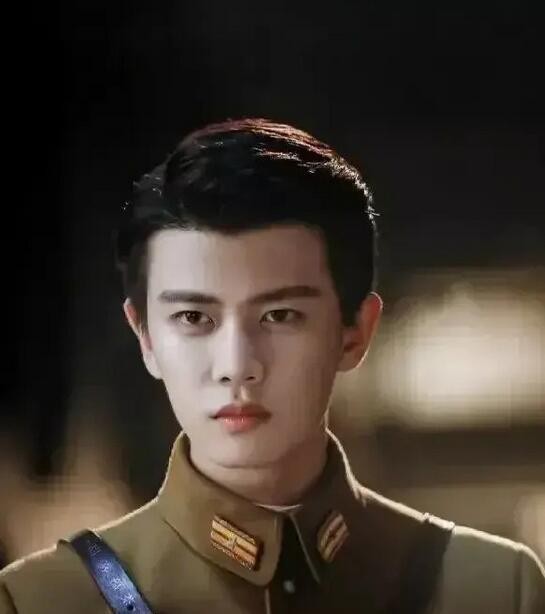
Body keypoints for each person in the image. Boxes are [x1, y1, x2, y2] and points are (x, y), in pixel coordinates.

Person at [0, 118, 543, 613]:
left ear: (356, 331)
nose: (236, 366)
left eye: (280, 315)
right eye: (193, 317)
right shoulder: (45, 600)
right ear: (145, 336)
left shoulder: (493, 588)